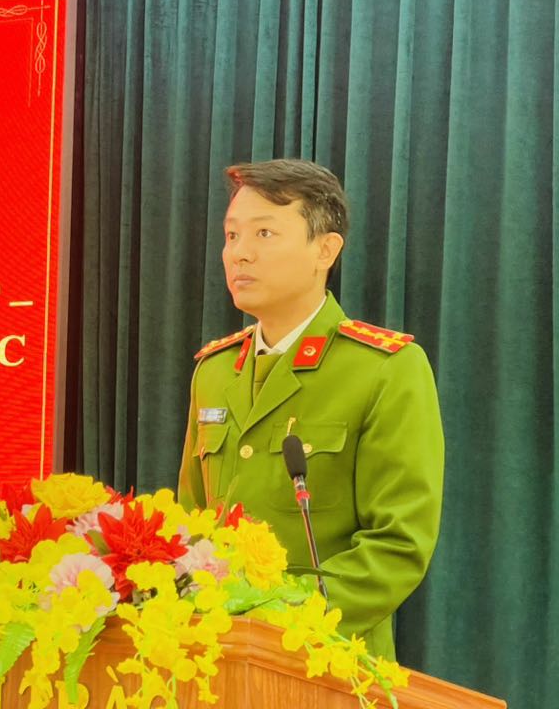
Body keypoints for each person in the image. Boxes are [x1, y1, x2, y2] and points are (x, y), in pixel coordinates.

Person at [177, 159, 444, 660]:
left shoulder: (385, 369)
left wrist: (274, 620)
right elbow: (190, 523)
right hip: (214, 658)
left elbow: (397, 545)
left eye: (264, 233)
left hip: (325, 661)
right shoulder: (214, 372)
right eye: (232, 235)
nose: (240, 253)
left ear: (326, 249)